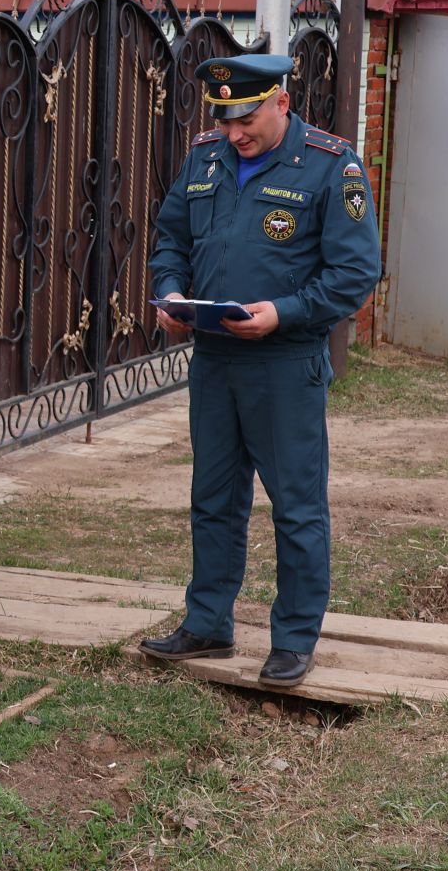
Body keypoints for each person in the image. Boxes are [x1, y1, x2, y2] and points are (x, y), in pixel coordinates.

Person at [139, 54, 382, 687]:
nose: (233, 133)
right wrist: (170, 294)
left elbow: (355, 274)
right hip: (215, 357)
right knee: (213, 500)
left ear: (281, 101)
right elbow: (172, 238)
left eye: (244, 119)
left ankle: (295, 638)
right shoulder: (206, 157)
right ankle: (208, 622)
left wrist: (284, 313)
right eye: (223, 120)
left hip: (283, 362)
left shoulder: (331, 165)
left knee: (296, 508)